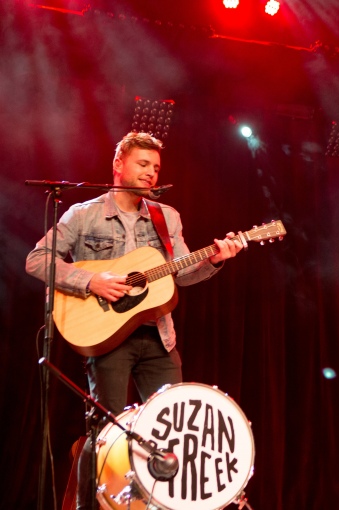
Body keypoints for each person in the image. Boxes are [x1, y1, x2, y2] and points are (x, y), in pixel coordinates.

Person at [25, 131, 244, 510]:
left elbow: (182, 272)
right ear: (118, 166)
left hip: (159, 338)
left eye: (156, 168)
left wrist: (215, 258)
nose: (150, 174)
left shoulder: (166, 216)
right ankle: (89, 507)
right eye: (143, 164)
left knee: (173, 431)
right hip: (107, 338)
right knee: (106, 432)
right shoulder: (83, 214)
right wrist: (91, 280)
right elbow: (36, 259)